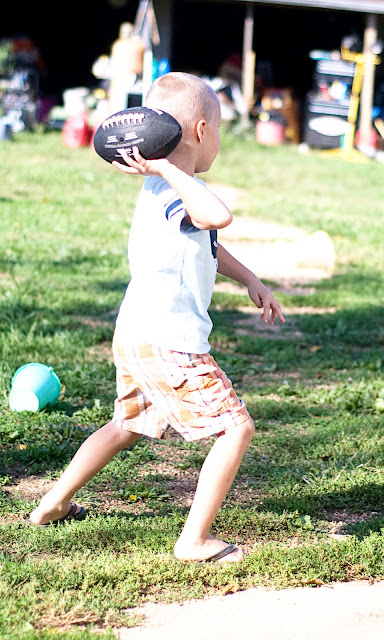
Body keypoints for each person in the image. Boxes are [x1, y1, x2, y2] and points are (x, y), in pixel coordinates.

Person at [27, 72, 285, 564]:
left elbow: (206, 238)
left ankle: (52, 504)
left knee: (125, 425)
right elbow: (217, 216)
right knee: (236, 428)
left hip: (136, 334)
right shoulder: (171, 190)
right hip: (170, 341)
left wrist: (249, 278)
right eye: (218, 132)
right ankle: (193, 541)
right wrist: (170, 170)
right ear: (202, 131)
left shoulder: (166, 190)